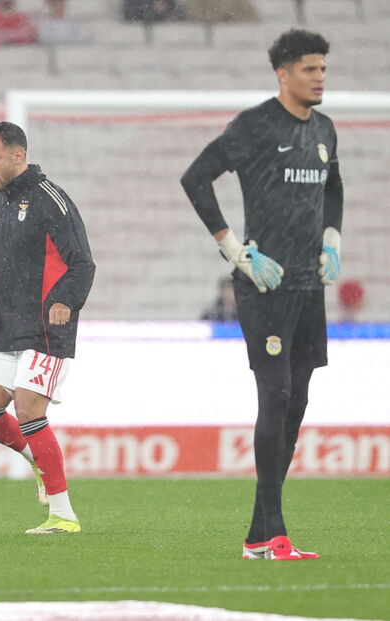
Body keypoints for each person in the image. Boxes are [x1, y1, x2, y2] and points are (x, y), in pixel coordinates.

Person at [181, 29, 342, 561]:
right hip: (264, 286)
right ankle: (275, 536)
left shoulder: (324, 130)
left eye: (323, 68)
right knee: (274, 396)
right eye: (310, 69)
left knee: (295, 403)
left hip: (307, 287)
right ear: (283, 74)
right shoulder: (255, 126)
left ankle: (258, 536)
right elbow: (196, 178)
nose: (320, 77)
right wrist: (237, 253)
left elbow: (333, 186)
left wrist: (332, 241)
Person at [0, 122, 95, 534]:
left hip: (47, 329)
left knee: (28, 408)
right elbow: (4, 273)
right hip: (4, 328)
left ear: (18, 155)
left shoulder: (51, 200)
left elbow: (83, 263)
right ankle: (35, 458)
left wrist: (66, 300)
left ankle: (63, 516)